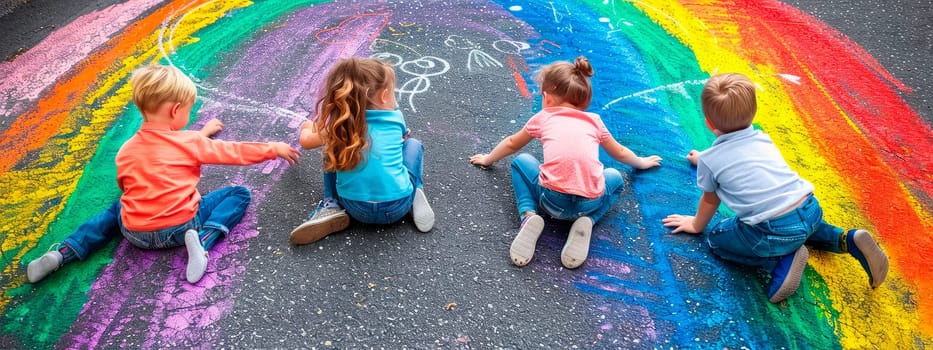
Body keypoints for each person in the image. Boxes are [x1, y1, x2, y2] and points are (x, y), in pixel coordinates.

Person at [25, 64, 301, 284]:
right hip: (180, 229)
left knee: (116, 208)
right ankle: (204, 239)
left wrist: (200, 135)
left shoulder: (126, 150)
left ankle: (64, 252)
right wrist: (272, 148)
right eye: (189, 109)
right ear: (175, 110)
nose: (190, 116)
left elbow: (126, 184)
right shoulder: (190, 143)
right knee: (238, 194)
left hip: (134, 232)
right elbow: (233, 152)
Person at [662, 73, 889, 303]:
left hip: (772, 230)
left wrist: (696, 224)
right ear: (753, 113)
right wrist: (704, 159)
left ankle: (781, 258)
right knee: (797, 225)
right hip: (809, 209)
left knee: (718, 239)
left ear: (708, 123)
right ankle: (846, 239)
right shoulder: (762, 139)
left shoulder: (711, 160)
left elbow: (710, 200)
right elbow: (745, 164)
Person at [470, 56, 662, 269]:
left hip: (551, 202)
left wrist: (488, 159)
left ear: (547, 97)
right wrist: (642, 163)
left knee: (520, 161)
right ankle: (588, 221)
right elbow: (620, 152)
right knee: (615, 178)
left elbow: (513, 143)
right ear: (583, 101)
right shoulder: (595, 122)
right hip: (589, 203)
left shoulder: (543, 117)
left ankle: (528, 215)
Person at [290, 57, 435, 244]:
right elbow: (400, 142)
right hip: (397, 205)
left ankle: (331, 205)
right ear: (383, 96)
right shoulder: (395, 117)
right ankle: (416, 193)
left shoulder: (338, 126)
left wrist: (306, 126)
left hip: (354, 207)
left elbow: (307, 141)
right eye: (393, 93)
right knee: (413, 144)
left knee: (332, 150)